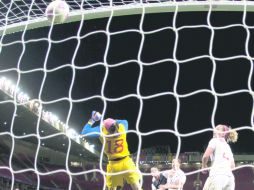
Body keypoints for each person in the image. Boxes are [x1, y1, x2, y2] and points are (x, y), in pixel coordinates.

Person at [81, 111, 142, 190]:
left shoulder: (101, 131)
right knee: (137, 187)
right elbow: (124, 121)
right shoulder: (123, 127)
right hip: (126, 162)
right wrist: (112, 121)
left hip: (113, 165)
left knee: (112, 188)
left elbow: (84, 132)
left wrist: (93, 120)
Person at [201, 124, 238, 190]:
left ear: (223, 134)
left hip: (217, 176)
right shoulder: (228, 147)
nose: (214, 130)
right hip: (230, 179)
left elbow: (205, 156)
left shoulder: (214, 141)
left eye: (217, 129)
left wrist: (204, 166)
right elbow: (233, 166)